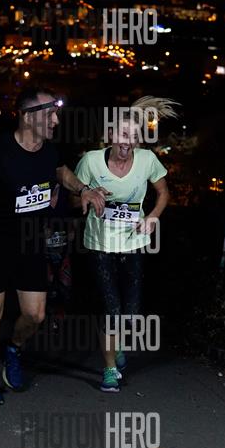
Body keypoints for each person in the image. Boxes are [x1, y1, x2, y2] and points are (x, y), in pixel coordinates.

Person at [0, 87, 109, 405]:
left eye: (56, 115)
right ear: (28, 117)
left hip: (30, 244)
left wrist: (83, 188)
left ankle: (13, 348)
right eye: (50, 115)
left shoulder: (49, 151)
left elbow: (61, 172)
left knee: (36, 315)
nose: (56, 121)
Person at [74, 96, 178, 392]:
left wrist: (153, 217)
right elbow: (72, 198)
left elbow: (164, 193)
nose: (127, 141)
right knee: (111, 309)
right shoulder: (91, 161)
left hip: (133, 243)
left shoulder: (147, 160)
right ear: (110, 135)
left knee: (130, 313)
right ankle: (109, 369)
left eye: (133, 136)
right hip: (100, 243)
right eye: (122, 134)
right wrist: (89, 194)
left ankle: (117, 346)